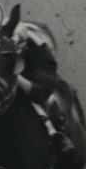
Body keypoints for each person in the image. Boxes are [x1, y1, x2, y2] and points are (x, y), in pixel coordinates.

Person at [12, 20, 75, 154]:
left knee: (50, 101)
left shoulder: (40, 50)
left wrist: (16, 78)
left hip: (32, 79)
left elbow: (41, 92)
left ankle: (58, 135)